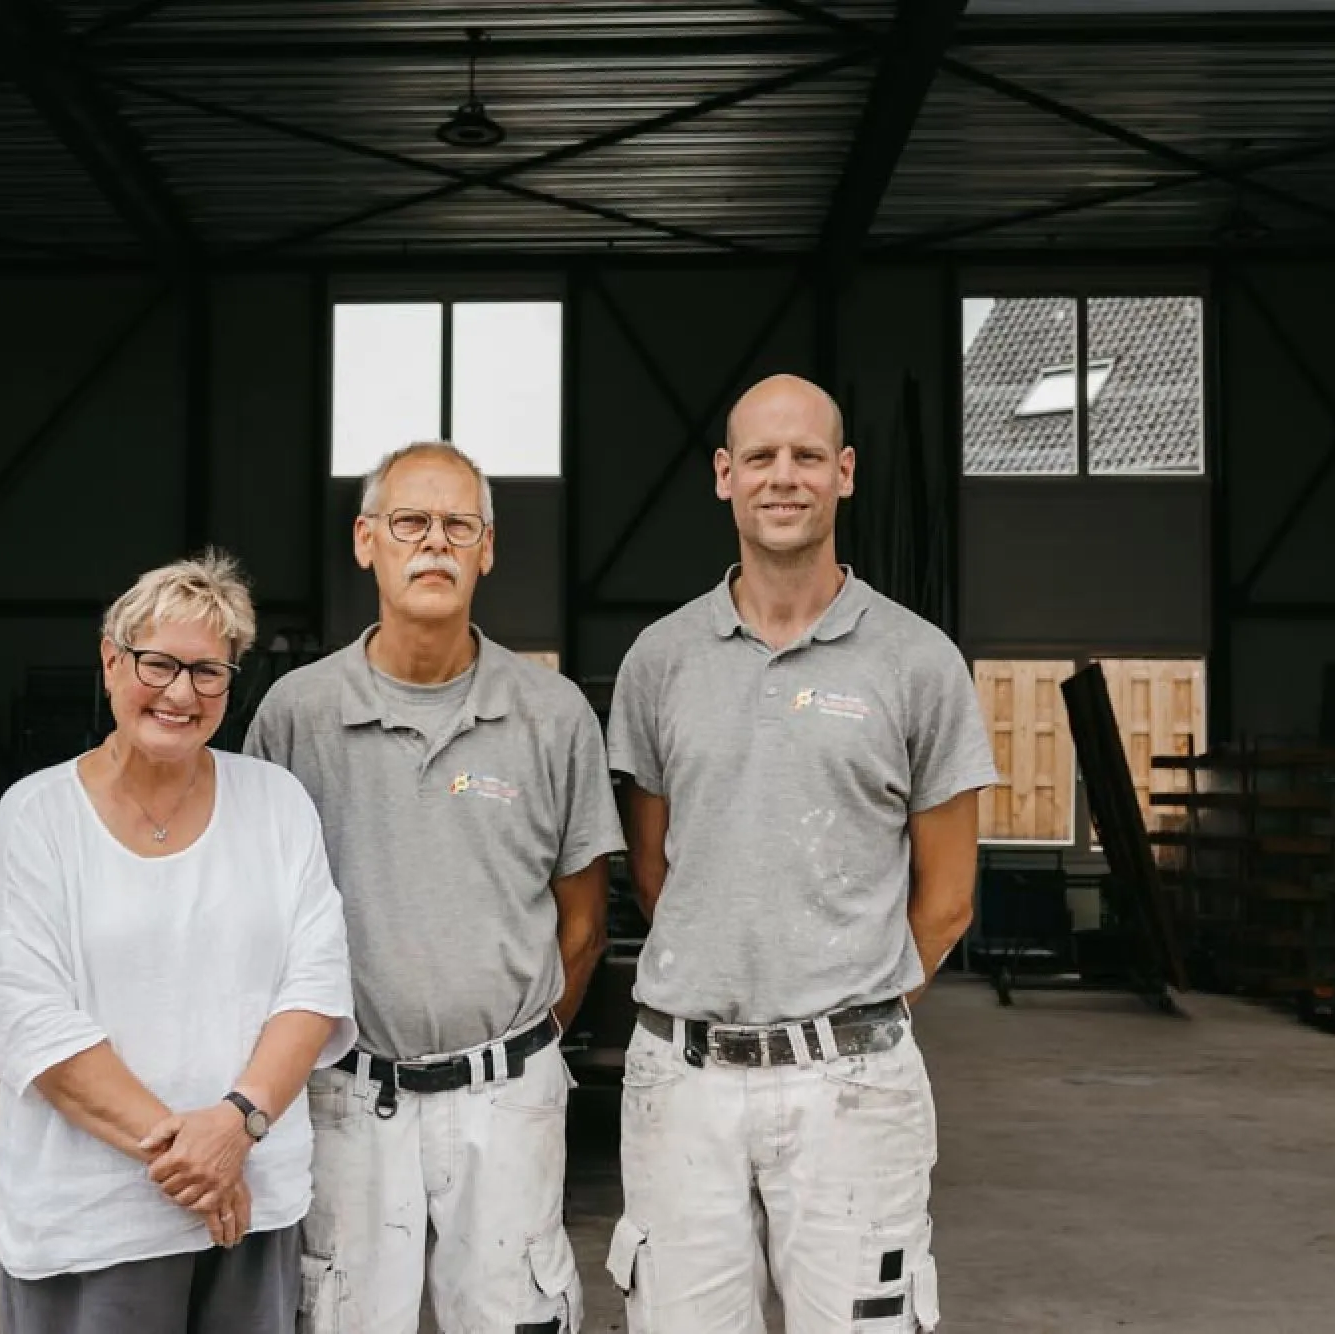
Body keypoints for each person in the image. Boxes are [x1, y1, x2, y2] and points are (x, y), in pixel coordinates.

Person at [604, 374, 998, 1334]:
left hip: (854, 1087)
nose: (786, 478)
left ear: (846, 474)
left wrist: (843, 1006)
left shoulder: (918, 662)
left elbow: (947, 897)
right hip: (684, 1083)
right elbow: (657, 869)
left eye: (809, 456)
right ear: (724, 476)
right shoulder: (661, 660)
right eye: (763, 458)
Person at [243, 441, 623, 1333]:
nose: (435, 545)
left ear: (488, 549)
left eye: (460, 526)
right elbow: (255, 928)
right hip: (343, 1097)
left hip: (509, 1098)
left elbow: (583, 925)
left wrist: (509, 1059)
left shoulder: (551, 715)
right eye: (411, 522)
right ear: (365, 539)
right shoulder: (295, 717)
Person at [0, 549, 357, 1334]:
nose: (181, 693)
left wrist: (238, 1125)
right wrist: (196, 1161)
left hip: (252, 1203)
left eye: (208, 672)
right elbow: (29, 1018)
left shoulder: (276, 804)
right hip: (94, 1218)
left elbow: (314, 986)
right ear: (111, 661)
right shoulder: (37, 816)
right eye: (158, 664)